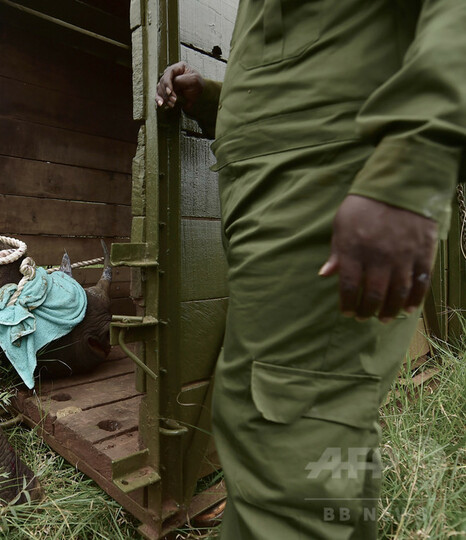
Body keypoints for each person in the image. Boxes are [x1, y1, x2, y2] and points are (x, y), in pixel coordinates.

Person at [156, 2, 465, 538]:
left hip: (327, 178)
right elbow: (309, 49)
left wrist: (414, 159)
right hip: (272, 188)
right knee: (313, 453)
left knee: (285, 448)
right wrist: (215, 103)